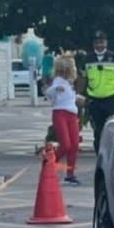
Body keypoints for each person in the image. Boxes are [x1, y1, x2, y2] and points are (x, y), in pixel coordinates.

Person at [77, 30, 114, 153]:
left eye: (102, 42)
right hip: (94, 101)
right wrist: (80, 96)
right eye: (97, 43)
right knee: (98, 131)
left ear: (106, 43)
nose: (99, 45)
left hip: (112, 100)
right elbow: (82, 79)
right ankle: (101, 156)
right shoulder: (88, 59)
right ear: (93, 44)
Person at [45, 55, 81, 184]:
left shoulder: (68, 83)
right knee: (66, 144)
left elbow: (67, 96)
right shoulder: (58, 81)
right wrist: (55, 89)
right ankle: (49, 164)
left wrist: (77, 97)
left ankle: (70, 174)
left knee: (75, 145)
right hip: (60, 113)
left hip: (71, 114)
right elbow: (49, 92)